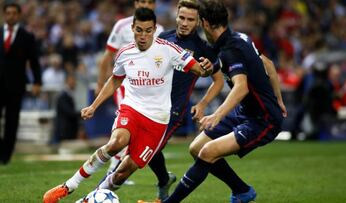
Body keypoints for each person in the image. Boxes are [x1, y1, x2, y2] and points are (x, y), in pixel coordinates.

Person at [43, 7, 212, 203]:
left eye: (148, 30)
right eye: (139, 30)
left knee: (123, 172)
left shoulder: (169, 50)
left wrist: (206, 69)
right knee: (116, 143)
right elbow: (115, 80)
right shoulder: (124, 53)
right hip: (132, 108)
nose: (143, 35)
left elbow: (200, 70)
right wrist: (94, 106)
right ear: (132, 28)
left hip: (157, 120)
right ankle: (69, 185)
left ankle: (88, 200)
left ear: (154, 29)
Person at [96, 0, 224, 201]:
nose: (184, 23)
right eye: (181, 17)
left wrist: (202, 104)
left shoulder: (203, 48)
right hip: (146, 107)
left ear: (198, 22)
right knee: (150, 151)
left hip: (172, 112)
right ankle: (164, 179)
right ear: (176, 16)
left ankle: (100, 191)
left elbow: (218, 80)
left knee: (136, 158)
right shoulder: (163, 38)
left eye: (190, 19)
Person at [163, 1, 287, 203]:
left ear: (204, 22)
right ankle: (242, 190)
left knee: (208, 152)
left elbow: (241, 86)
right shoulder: (239, 38)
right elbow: (269, 65)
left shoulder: (230, 50)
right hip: (245, 111)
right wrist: (278, 99)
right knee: (196, 147)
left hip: (263, 120)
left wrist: (216, 115)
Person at [96, 0, 165, 183]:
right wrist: (100, 82)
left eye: (150, 1)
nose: (146, 5)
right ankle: (113, 171)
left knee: (140, 134)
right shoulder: (122, 26)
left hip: (149, 90)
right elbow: (107, 55)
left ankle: (123, 171)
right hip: (125, 84)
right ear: (136, 3)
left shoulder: (161, 30)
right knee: (126, 127)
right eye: (143, 1)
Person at [0, 2, 42, 165]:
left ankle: (5, 156)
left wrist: (37, 82)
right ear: (4, 15)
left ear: (19, 15)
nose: (11, 16)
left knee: (12, 121)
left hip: (16, 85)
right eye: (8, 13)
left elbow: (34, 61)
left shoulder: (27, 36)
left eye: (14, 13)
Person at [51, 74, 81, 144]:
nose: (74, 83)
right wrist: (82, 113)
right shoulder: (62, 96)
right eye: (72, 81)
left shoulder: (69, 95)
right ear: (67, 82)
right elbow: (69, 112)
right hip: (65, 130)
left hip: (69, 130)